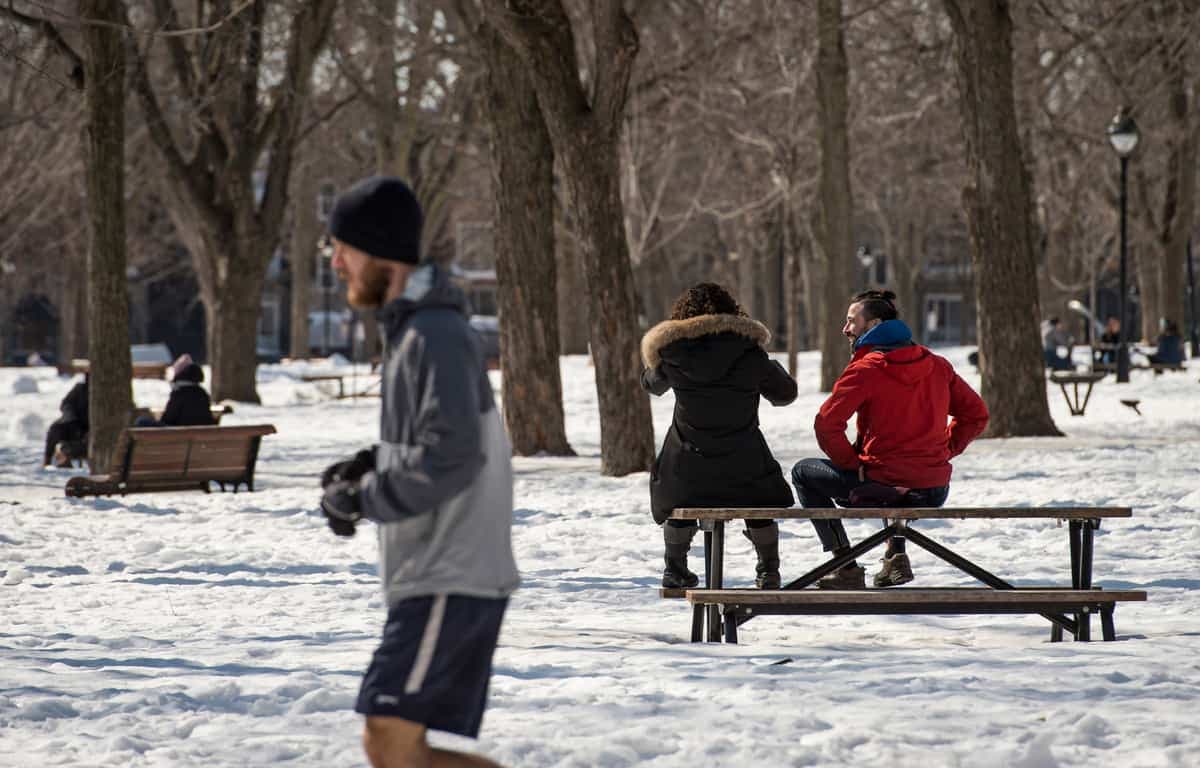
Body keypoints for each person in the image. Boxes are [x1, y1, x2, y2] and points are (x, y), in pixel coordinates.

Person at [316, 176, 518, 768]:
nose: (336, 264)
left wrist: (366, 498)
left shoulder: (434, 333)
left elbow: (452, 455)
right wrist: (369, 465)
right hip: (435, 570)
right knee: (394, 742)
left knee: (390, 737)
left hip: (451, 571)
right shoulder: (415, 329)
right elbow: (434, 439)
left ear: (380, 252)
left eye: (343, 249)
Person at [791, 290, 989, 589]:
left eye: (851, 321)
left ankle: (844, 567)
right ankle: (895, 556)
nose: (845, 329)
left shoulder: (866, 369)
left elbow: (826, 424)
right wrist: (943, 452)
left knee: (803, 473)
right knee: (890, 474)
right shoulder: (937, 365)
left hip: (880, 485)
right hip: (933, 489)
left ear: (873, 325)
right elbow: (976, 415)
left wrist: (852, 464)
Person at [641, 283, 797, 590]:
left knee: (678, 473)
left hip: (687, 472)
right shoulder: (750, 352)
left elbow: (650, 385)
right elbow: (785, 394)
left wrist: (658, 362)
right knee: (758, 488)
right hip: (744, 470)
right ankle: (768, 569)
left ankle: (675, 568)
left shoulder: (674, 353)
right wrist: (765, 368)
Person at [136, 355, 217, 427]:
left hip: (178, 434)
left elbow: (169, 419)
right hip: (200, 434)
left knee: (141, 422)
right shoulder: (202, 393)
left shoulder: (180, 393)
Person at [43, 374, 88, 467]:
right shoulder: (80, 389)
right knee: (56, 428)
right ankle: (48, 461)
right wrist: (71, 419)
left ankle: (66, 455)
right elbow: (66, 404)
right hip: (74, 424)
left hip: (91, 429)